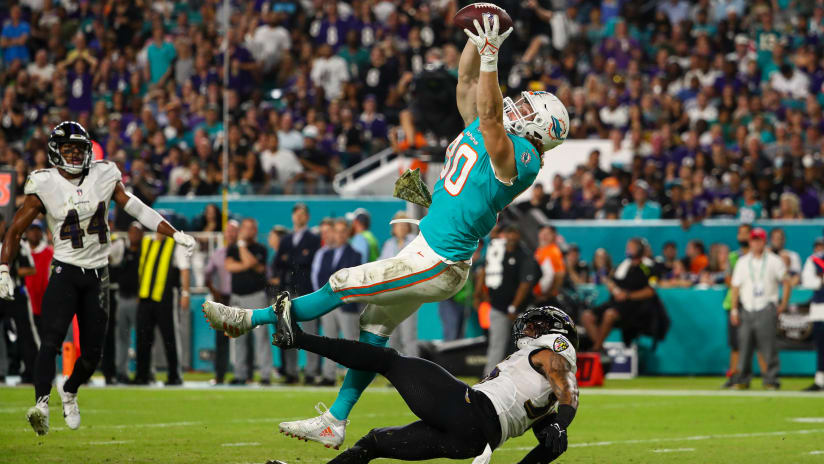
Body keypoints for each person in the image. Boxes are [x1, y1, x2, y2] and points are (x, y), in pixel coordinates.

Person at [203, 15, 568, 449]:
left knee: (342, 282)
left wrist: (492, 55)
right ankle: (335, 420)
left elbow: (490, 118)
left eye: (528, 110)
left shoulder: (524, 156)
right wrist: (478, 36)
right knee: (373, 325)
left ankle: (248, 320)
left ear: (539, 131)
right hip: (431, 247)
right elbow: (467, 84)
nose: (518, 106)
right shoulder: (494, 128)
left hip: (439, 261)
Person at [0, 121, 195, 435]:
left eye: (80, 149)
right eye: (69, 149)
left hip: (97, 275)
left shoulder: (104, 175)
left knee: (92, 354)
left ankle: (71, 390)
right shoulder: (44, 183)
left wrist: (173, 233)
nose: (76, 155)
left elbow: (136, 207)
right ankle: (40, 405)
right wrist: (3, 268)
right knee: (50, 341)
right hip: (64, 270)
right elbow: (15, 230)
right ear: (55, 152)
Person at [269, 304, 579, 464]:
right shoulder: (548, 405)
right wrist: (560, 426)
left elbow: (567, 390)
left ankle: (298, 338)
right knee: (374, 443)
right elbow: (554, 443)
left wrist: (562, 424)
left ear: (556, 334)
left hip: (468, 410)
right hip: (471, 442)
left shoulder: (554, 356)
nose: (530, 329)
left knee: (387, 360)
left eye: (538, 326)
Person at [729, 227, 791, 390]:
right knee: (745, 345)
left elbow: (786, 281)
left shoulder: (774, 260)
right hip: (747, 307)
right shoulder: (743, 262)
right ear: (750, 242)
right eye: (754, 240)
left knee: (768, 346)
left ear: (764, 241)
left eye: (759, 240)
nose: (756, 243)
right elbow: (735, 287)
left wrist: (783, 303)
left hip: (766, 306)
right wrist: (734, 310)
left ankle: (771, 379)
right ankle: (742, 379)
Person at [133, 222, 193, 387]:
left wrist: (186, 293)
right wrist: (139, 290)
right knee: (142, 337)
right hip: (145, 296)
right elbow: (142, 267)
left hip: (165, 297)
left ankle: (174, 375)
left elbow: (184, 269)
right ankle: (142, 374)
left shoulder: (175, 244)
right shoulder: (147, 241)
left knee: (170, 338)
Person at [270, 203, 321, 384]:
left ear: (307, 217)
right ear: (293, 217)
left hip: (306, 291)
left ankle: (311, 372)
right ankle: (291, 372)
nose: (299, 218)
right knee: (287, 331)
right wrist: (298, 258)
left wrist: (290, 259)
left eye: (302, 214)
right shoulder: (286, 240)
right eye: (296, 214)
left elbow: (307, 260)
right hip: (287, 291)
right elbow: (277, 262)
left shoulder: (314, 239)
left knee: (309, 333)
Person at [478, 226, 540, 376]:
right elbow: (485, 271)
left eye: (513, 232)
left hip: (521, 309)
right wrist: (481, 293)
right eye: (508, 233)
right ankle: (489, 378)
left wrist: (514, 307)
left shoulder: (525, 255)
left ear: (519, 235)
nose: (510, 236)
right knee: (496, 345)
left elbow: (525, 284)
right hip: (498, 307)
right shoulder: (497, 252)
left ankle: (527, 377)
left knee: (525, 345)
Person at [580, 238, 661, 352]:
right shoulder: (623, 266)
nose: (627, 249)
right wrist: (613, 288)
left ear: (639, 249)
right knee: (586, 316)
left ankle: (596, 348)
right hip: (615, 302)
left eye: (631, 247)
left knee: (609, 314)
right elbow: (613, 282)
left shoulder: (648, 267)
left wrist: (628, 295)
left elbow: (651, 290)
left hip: (634, 306)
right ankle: (600, 348)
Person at [316, 219, 362, 386]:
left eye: (344, 231)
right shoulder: (326, 254)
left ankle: (354, 378)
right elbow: (321, 279)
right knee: (329, 340)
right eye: (338, 231)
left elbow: (354, 281)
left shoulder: (355, 254)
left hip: (346, 304)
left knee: (351, 341)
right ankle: (329, 376)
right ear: (333, 233)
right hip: (328, 305)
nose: (340, 234)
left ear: (348, 233)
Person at [226, 218, 271, 385]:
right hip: (237, 297)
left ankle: (265, 375)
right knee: (238, 338)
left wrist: (242, 247)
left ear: (256, 231)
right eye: (245, 228)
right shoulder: (232, 248)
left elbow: (253, 263)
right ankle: (240, 374)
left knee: (261, 337)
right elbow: (229, 266)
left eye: (251, 228)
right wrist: (246, 263)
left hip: (256, 296)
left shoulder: (260, 248)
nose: (248, 231)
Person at [0, 215, 38, 384]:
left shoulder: (17, 242)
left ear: (3, 224)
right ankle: (2, 370)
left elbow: (31, 269)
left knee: (26, 333)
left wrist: (12, 272)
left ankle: (32, 371)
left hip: (15, 292)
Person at [203, 220, 239, 385]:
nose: (230, 234)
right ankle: (220, 375)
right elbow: (207, 275)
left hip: (240, 297)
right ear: (224, 234)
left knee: (244, 339)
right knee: (221, 339)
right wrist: (214, 291)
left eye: (233, 231)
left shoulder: (242, 251)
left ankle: (245, 374)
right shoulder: (218, 254)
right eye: (228, 231)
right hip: (223, 298)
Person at [111, 222, 143, 384]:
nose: (134, 235)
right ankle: (121, 372)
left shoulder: (144, 253)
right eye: (131, 232)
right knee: (122, 338)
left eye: (137, 232)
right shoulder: (122, 250)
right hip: (122, 298)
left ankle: (143, 371)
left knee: (142, 338)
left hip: (137, 300)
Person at [800, 237, 824, 392]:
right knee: (821, 346)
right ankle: (820, 380)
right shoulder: (815, 259)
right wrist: (821, 280)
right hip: (820, 308)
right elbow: (806, 281)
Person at [23, 220, 52, 335]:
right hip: (26, 304)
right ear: (26, 232)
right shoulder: (21, 252)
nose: (34, 233)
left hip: (46, 305)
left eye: (37, 230)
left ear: (42, 233)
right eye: (32, 230)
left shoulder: (49, 253)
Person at [533, 225, 565, 305]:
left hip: (544, 298)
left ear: (554, 235)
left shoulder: (553, 252)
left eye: (548, 234)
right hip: (536, 294)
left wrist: (549, 295)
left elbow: (560, 274)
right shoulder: (540, 250)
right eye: (542, 233)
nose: (544, 236)